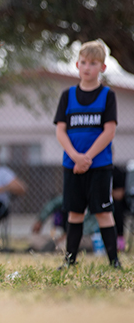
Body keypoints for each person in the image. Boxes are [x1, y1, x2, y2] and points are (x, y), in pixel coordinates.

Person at [54, 40, 121, 269]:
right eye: (83, 62)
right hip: (72, 165)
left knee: (103, 212)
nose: (87, 67)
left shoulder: (107, 95)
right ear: (76, 64)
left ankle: (114, 261)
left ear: (102, 67)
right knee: (74, 213)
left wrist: (87, 158)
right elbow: (60, 130)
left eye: (93, 63)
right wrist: (75, 157)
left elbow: (109, 131)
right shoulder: (68, 95)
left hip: (99, 165)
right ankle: (70, 262)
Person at [29, 194, 97, 253]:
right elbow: (53, 203)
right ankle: (48, 248)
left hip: (85, 237)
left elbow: (87, 228)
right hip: (65, 237)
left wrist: (66, 236)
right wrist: (40, 220)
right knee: (35, 240)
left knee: (63, 246)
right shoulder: (72, 198)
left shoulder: (92, 202)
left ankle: (52, 249)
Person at [111, 165, 128, 252]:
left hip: (116, 204)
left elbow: (119, 195)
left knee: (117, 206)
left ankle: (119, 241)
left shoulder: (117, 172)